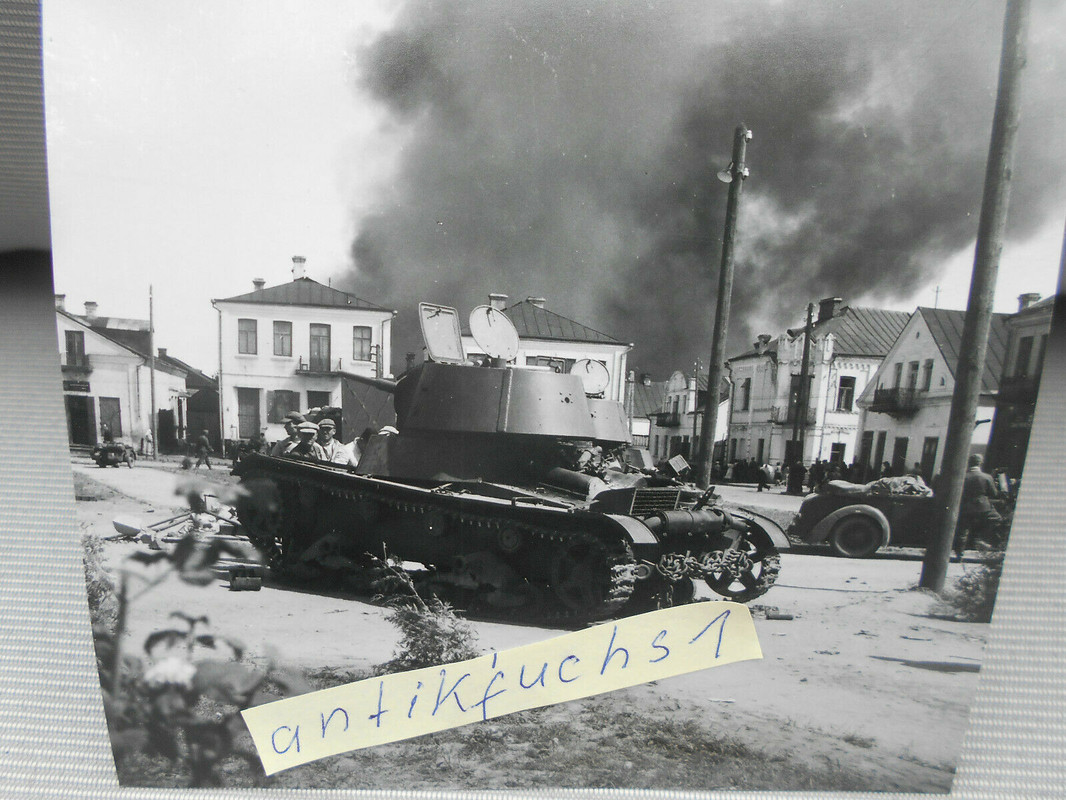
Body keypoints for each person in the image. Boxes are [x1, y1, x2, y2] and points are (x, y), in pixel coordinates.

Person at [953, 453, 1001, 560]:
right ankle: (980, 538)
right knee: (997, 519)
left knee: (963, 530)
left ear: (969, 463)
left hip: (966, 507)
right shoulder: (987, 477)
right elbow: (994, 493)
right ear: (980, 463)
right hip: (983, 507)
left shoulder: (963, 476)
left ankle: (959, 554)